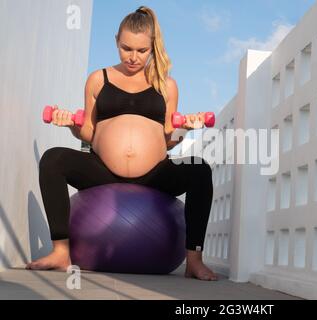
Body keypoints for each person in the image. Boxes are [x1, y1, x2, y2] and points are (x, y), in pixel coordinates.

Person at [26, 6, 218, 281]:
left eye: (142, 50)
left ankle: (194, 260)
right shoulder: (98, 79)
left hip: (154, 174)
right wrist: (71, 125)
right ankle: (60, 251)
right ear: (116, 40)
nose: (133, 57)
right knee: (53, 158)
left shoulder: (166, 85)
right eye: (126, 48)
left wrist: (184, 128)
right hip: (103, 171)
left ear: (152, 47)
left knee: (199, 169)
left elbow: (168, 141)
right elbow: (89, 134)